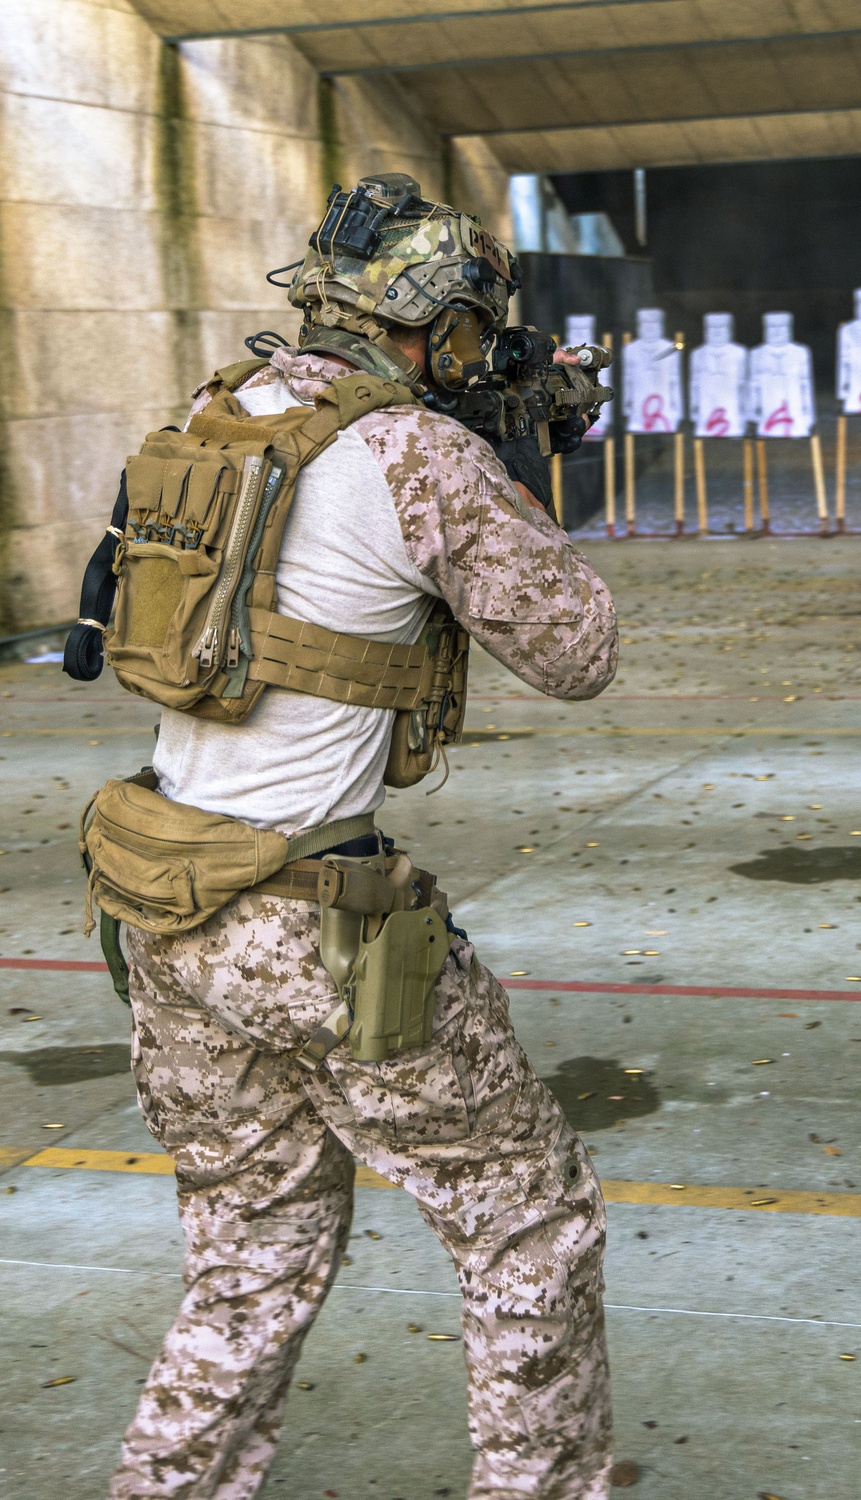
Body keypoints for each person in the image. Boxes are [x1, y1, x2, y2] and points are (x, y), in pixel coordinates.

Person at [108, 174, 619, 1498]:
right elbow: (577, 650)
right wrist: (508, 463)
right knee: (527, 1219)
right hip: (329, 925)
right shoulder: (418, 454)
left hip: (163, 900)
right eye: (469, 334)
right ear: (437, 327)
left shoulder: (215, 414)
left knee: (248, 1256)